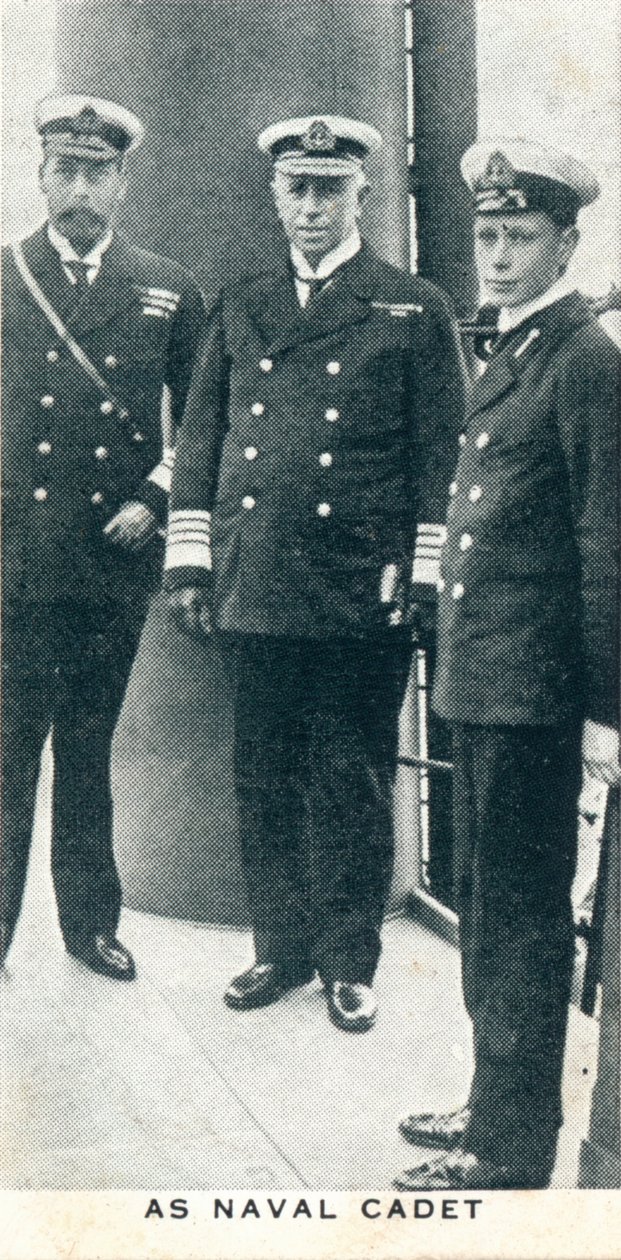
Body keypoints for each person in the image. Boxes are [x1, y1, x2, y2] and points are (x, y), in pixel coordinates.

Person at [164, 113, 464, 1032]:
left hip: (357, 592)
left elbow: (441, 458)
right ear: (275, 195)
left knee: (350, 781)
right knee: (263, 779)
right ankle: (280, 950)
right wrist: (190, 564)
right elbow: (201, 439)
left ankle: (347, 962)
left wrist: (422, 579)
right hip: (254, 583)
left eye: (329, 190)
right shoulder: (243, 301)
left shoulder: (411, 306)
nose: (311, 207)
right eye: (297, 188)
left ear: (359, 196)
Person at [394, 140, 620, 1188]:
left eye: (518, 236)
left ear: (564, 244)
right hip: (486, 683)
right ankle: (493, 1100)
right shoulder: (521, 346)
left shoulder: (584, 361)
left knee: (521, 923)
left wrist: (606, 709)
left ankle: (510, 1147)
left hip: (536, 696)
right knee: (485, 910)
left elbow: (607, 548)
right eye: (485, 234)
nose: (494, 254)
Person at [1, 94, 206, 979]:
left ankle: (90, 927)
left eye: (98, 173)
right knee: (7, 755)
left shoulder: (168, 288)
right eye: (67, 170)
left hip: (107, 561)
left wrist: (155, 500)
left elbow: (204, 420)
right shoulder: (5, 276)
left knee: (88, 752)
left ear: (123, 183)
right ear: (42, 177)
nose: (81, 188)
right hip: (14, 561)